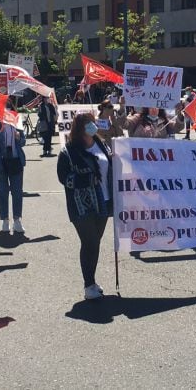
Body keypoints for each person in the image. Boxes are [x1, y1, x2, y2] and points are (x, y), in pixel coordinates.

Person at [57, 112, 113, 300]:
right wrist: (86, 179)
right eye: (89, 123)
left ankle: (92, 280)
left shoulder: (101, 143)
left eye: (94, 122)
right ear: (80, 127)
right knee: (89, 242)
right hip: (81, 205)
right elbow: (64, 178)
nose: (93, 125)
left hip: (104, 201)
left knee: (95, 243)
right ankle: (88, 285)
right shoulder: (69, 151)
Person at [0, 113, 26, 236]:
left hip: (15, 161)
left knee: (17, 191)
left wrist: (18, 137)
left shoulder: (17, 123)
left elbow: (23, 142)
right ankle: (5, 220)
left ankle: (17, 219)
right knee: (2, 191)